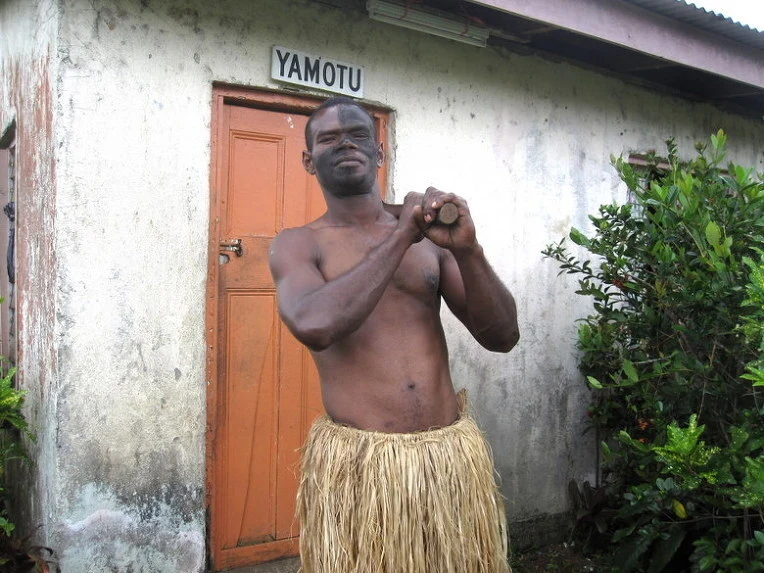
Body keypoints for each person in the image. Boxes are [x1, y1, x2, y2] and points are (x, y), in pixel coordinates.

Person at [269, 96, 519, 573]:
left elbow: (503, 336)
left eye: (358, 134)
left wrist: (468, 250)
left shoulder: (433, 241)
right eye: (328, 138)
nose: (345, 143)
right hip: (364, 470)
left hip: (448, 462)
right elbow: (315, 325)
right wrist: (401, 235)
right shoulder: (298, 244)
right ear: (308, 160)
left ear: (379, 151)